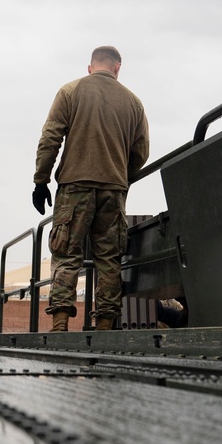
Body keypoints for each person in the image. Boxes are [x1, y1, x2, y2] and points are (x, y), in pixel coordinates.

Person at [32, 46, 149, 332]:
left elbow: (50, 137)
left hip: (74, 186)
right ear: (117, 68)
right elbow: (141, 152)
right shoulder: (134, 102)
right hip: (114, 189)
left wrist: (41, 180)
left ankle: (60, 323)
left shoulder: (70, 91)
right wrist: (121, 176)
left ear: (90, 67)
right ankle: (105, 324)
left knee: (66, 254)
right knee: (109, 258)